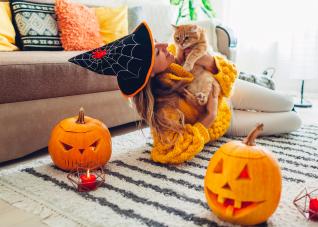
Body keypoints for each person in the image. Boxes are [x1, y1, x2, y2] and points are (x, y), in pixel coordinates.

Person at [69, 22, 301, 165]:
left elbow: (228, 74)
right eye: (156, 52)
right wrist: (208, 117)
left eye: (157, 42)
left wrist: (205, 60)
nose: (164, 47)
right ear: (148, 73)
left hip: (228, 91)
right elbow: (169, 152)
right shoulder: (164, 108)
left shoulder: (176, 54)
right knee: (293, 119)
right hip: (225, 120)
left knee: (286, 102)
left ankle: (265, 85)